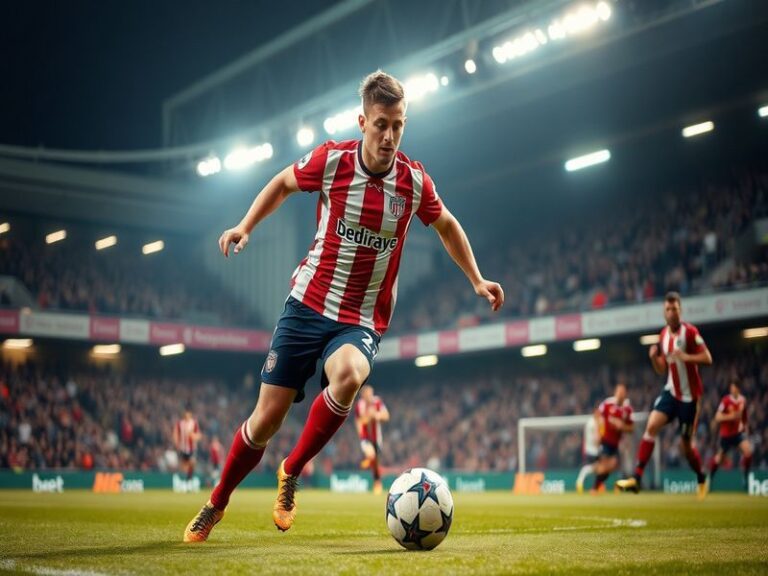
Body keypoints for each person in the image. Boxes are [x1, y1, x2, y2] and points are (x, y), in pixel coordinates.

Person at [184, 70, 504, 542]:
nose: (390, 135)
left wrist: (476, 278)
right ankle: (216, 503)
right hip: (307, 303)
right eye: (381, 124)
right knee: (265, 421)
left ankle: (291, 471)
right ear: (362, 121)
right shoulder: (332, 162)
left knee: (352, 374)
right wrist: (245, 225)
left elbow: (448, 225)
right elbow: (282, 182)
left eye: (399, 124)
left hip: (358, 319)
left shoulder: (412, 183)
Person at [617, 292, 712, 498]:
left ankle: (701, 477)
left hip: (689, 398)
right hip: (671, 392)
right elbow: (662, 369)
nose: (671, 313)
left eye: (675, 309)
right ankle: (637, 478)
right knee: (651, 425)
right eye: (668, 310)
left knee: (686, 446)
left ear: (680, 311)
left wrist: (686, 356)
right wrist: (653, 358)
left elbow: (707, 358)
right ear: (664, 312)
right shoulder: (663, 335)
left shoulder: (690, 332)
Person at [589, 383, 634, 493]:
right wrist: (598, 433)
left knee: (611, 467)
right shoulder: (607, 403)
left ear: (625, 394)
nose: (620, 395)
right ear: (615, 393)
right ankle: (594, 488)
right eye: (619, 392)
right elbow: (597, 415)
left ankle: (593, 469)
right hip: (605, 441)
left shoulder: (627, 409)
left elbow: (631, 428)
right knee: (606, 466)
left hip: (616, 443)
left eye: (622, 392)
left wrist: (622, 426)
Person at [709, 379, 752, 489]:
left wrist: (745, 426)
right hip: (726, 435)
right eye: (731, 387)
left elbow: (744, 417)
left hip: (737, 434)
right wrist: (730, 417)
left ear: (738, 388)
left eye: (733, 387)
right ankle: (710, 478)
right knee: (719, 459)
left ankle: (745, 477)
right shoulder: (725, 401)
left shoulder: (743, 400)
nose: (731, 389)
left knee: (748, 452)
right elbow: (717, 417)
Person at [354, 384, 389, 494]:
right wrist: (369, 417)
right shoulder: (360, 405)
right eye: (367, 394)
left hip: (377, 437)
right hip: (365, 437)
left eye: (371, 394)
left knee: (376, 463)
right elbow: (360, 421)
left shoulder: (377, 402)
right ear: (362, 396)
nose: (370, 396)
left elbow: (386, 416)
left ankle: (377, 482)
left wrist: (377, 415)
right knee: (371, 454)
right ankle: (368, 460)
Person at [575, 409, 600, 494]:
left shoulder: (589, 422)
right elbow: (596, 438)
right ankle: (581, 480)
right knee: (597, 467)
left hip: (588, 449)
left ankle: (591, 485)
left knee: (597, 468)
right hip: (593, 450)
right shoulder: (594, 423)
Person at [174, 409, 201, 480]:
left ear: (190, 414)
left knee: (192, 462)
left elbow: (198, 435)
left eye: (188, 413)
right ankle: (185, 478)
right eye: (186, 413)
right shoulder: (180, 423)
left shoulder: (194, 423)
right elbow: (176, 433)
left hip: (192, 448)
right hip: (183, 448)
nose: (187, 415)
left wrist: (192, 435)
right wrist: (176, 443)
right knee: (184, 466)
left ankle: (189, 477)